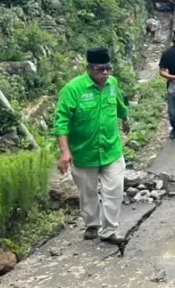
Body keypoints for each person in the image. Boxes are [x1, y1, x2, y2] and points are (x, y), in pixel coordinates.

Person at [55, 48, 131, 245]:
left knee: (114, 189)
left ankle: (109, 230)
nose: (105, 73)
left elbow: (119, 104)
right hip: (84, 152)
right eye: (100, 69)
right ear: (88, 68)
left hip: (111, 149)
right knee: (87, 192)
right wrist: (65, 151)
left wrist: (125, 118)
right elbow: (61, 121)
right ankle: (92, 224)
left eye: (108, 69)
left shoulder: (112, 84)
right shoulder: (73, 90)